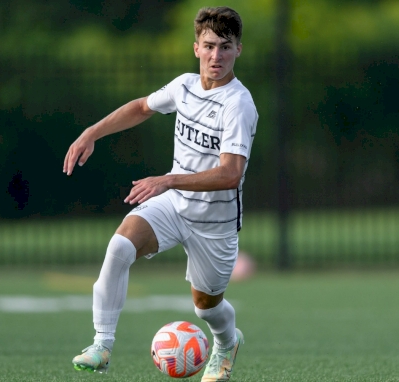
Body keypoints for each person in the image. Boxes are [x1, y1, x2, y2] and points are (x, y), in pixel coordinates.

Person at [62, 6, 257, 381]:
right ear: (196, 48)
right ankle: (101, 345)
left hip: (214, 223)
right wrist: (92, 132)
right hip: (174, 205)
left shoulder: (238, 104)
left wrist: (168, 180)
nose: (217, 56)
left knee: (206, 308)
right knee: (120, 247)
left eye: (226, 47)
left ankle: (227, 341)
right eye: (210, 46)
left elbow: (231, 174)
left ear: (238, 50)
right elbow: (140, 107)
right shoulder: (184, 85)